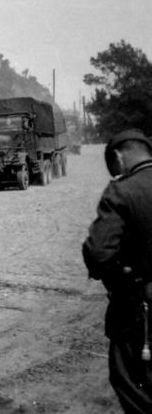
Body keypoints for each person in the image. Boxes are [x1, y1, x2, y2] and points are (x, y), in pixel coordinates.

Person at [83, 129, 152, 413]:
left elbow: (99, 254)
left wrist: (125, 278)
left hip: (140, 312)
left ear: (119, 157)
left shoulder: (122, 191)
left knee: (133, 384)